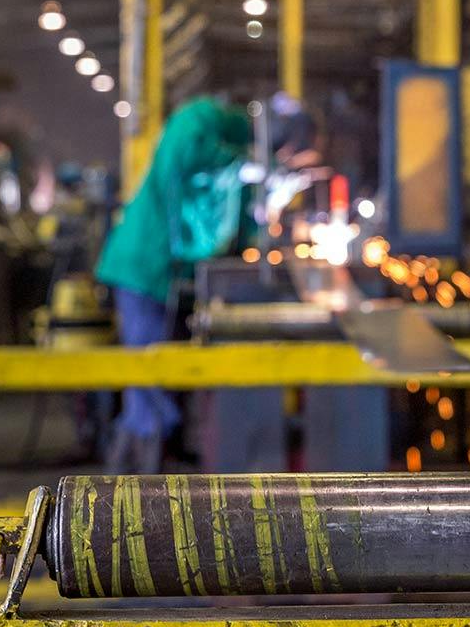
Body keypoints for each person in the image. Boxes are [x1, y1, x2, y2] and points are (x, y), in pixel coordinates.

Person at [94, 90, 315, 471]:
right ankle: (125, 489)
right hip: (145, 268)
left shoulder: (238, 156)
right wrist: (246, 165)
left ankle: (160, 475)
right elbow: (182, 157)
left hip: (175, 276)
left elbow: (245, 221)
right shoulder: (201, 118)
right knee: (148, 385)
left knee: (169, 381)